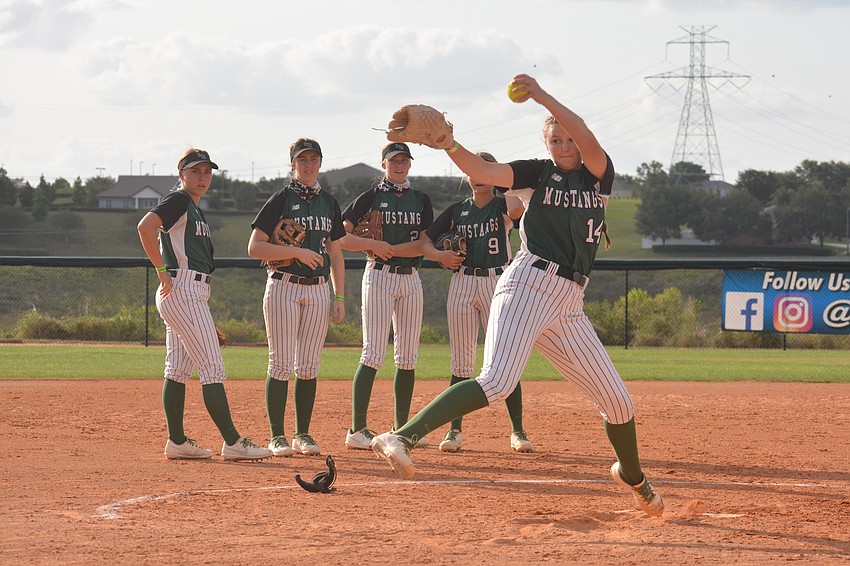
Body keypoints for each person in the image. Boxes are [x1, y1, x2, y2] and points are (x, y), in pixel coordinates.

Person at [371, 75, 664, 517]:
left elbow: (583, 130)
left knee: (618, 401)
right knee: (497, 380)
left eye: (569, 139)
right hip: (529, 283)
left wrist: (543, 97)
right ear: (546, 144)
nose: (565, 145)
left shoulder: (598, 175)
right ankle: (401, 436)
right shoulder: (535, 173)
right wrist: (451, 144)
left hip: (568, 304)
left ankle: (632, 475)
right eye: (555, 139)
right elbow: (485, 172)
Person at [137, 148, 272, 462]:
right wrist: (161, 271)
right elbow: (145, 227)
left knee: (178, 369)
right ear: (181, 174)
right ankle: (234, 442)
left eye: (207, 172)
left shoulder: (193, 208)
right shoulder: (180, 199)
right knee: (212, 367)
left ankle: (177, 441)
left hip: (189, 293)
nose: (202, 177)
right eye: (195, 171)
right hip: (182, 287)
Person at [420, 151, 532, 453]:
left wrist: (499, 177)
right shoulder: (458, 210)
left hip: (497, 281)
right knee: (461, 360)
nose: (479, 178)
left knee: (505, 357)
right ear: (466, 176)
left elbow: (519, 208)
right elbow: (424, 240)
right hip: (463, 282)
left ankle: (518, 431)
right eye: (474, 172)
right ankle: (455, 431)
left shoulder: (502, 204)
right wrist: (440, 256)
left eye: (485, 172)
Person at [247, 138, 346, 457]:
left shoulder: (329, 202)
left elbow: (335, 250)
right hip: (283, 284)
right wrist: (296, 251)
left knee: (309, 365)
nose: (308, 165)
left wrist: (339, 295)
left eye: (313, 159)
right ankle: (277, 436)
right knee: (280, 362)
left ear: (320, 162)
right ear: (293, 164)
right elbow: (255, 247)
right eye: (302, 160)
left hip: (318, 289)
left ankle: (303, 434)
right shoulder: (281, 198)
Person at [340, 142, 435, 450]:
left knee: (408, 356)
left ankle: (402, 429)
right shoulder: (369, 197)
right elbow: (341, 236)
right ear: (383, 164)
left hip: (411, 279)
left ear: (410, 164)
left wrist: (390, 247)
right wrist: (374, 246)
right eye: (394, 160)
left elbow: (425, 243)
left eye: (404, 159)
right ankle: (357, 429)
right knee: (373, 353)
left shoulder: (421, 200)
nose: (399, 164)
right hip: (379, 275)